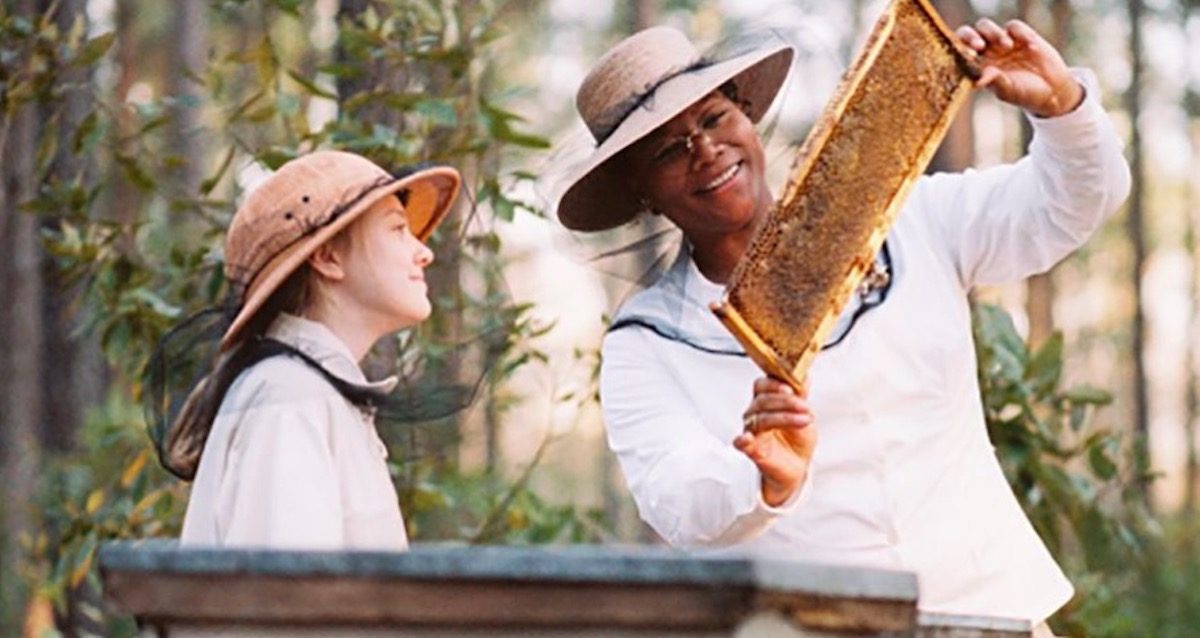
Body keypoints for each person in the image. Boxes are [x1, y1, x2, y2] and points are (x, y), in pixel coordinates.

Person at [553, 18, 1130, 631]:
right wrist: (763, 476)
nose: (705, 151)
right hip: (812, 624)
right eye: (669, 150)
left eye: (714, 119)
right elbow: (678, 499)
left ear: (747, 117)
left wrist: (1063, 107)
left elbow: (1068, 206)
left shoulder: (908, 217)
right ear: (643, 193)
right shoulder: (645, 344)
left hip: (991, 609)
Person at [157, 150, 460, 550]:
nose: (424, 252)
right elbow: (287, 600)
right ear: (328, 256)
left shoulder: (308, 392)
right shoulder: (289, 398)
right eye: (397, 229)